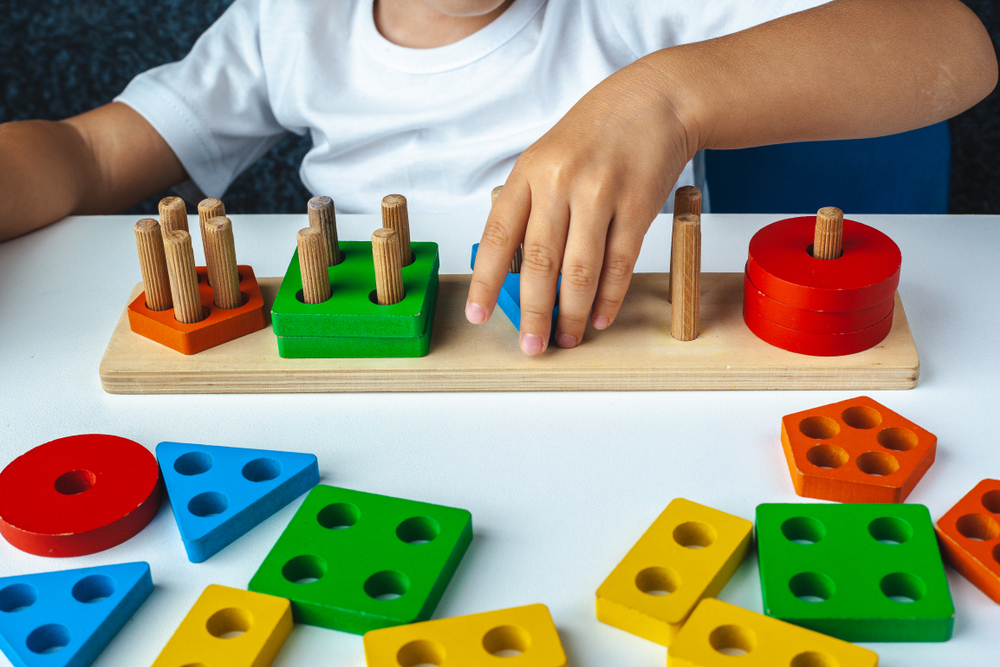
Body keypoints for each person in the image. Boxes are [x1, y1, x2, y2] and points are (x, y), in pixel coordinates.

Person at [0, 0, 994, 356]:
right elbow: (88, 155)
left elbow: (951, 44)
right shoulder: (285, 23)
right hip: (358, 389)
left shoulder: (636, 13)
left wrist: (668, 98)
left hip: (620, 366)